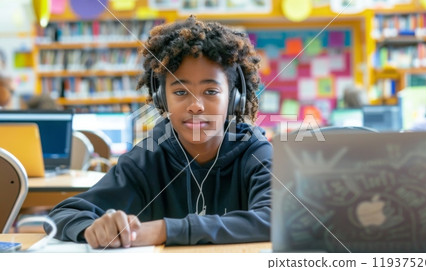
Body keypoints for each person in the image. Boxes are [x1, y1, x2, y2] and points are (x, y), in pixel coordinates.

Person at [45, 16, 272, 248]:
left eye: (211, 91)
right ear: (161, 99)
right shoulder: (148, 156)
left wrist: (164, 230)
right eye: (181, 92)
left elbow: (276, 218)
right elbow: (65, 213)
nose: (196, 105)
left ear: (234, 99)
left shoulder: (255, 152)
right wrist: (93, 228)